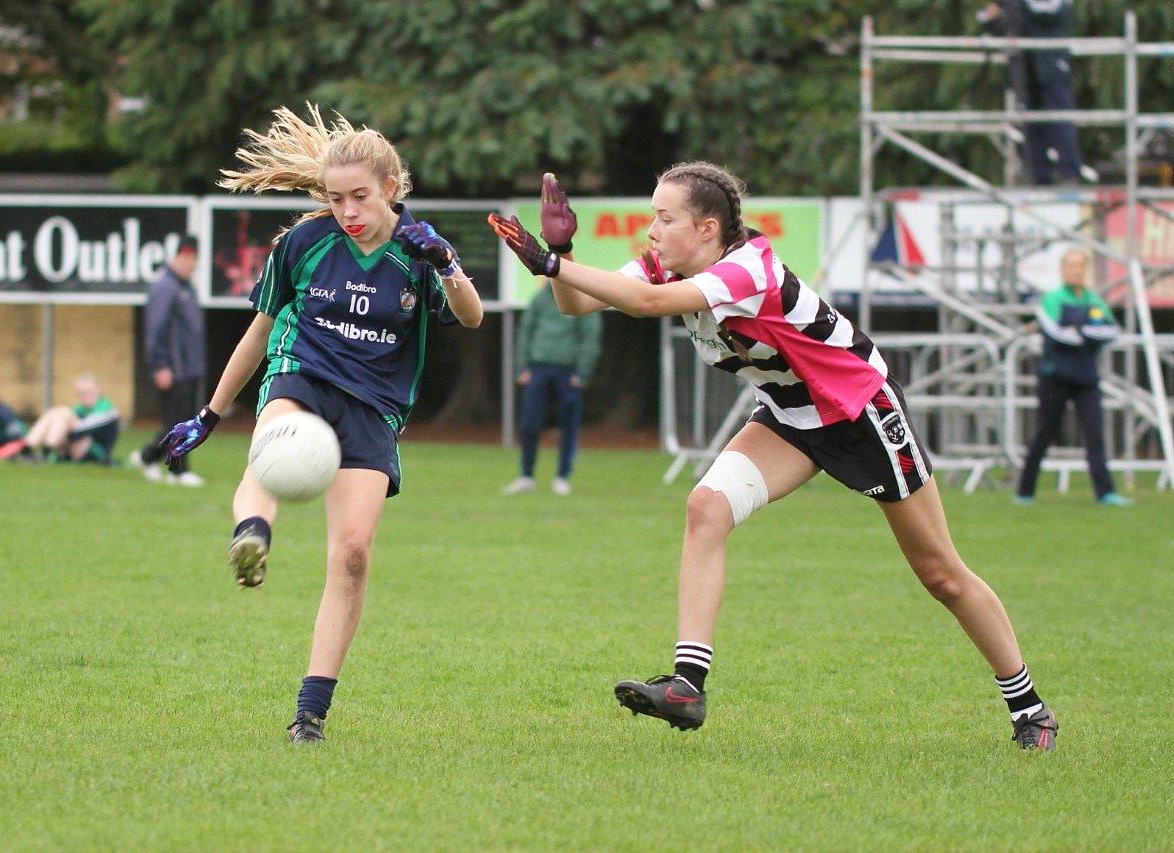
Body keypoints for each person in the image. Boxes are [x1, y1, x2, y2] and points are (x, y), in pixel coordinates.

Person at [489, 165, 1058, 750]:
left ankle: (1029, 707)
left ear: (708, 228)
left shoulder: (745, 267)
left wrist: (549, 262)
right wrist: (559, 250)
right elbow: (576, 305)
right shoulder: (670, 264)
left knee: (941, 575)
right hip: (791, 415)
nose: (651, 230)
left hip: (859, 412)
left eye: (665, 218)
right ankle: (687, 686)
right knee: (705, 508)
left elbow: (644, 304)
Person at [157, 105, 483, 743]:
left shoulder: (419, 249)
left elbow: (469, 317)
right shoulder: (304, 243)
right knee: (270, 453)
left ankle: (310, 712)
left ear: (391, 187)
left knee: (354, 555)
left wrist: (447, 262)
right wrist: (209, 413)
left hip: (374, 405)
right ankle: (252, 534)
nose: (347, 211)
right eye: (335, 198)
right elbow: (259, 332)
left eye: (359, 196)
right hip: (301, 373)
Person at [503, 177, 601, 497]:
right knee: (530, 424)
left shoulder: (581, 293)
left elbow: (589, 333)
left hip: (567, 370)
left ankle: (562, 476)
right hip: (539, 368)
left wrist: (582, 371)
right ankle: (527, 474)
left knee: (567, 427)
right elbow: (526, 332)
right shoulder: (538, 298)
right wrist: (523, 366)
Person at [1016, 248, 1129, 506]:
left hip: (1086, 377)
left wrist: (1080, 331)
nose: (1076, 270)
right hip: (1054, 375)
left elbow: (1111, 331)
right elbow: (1057, 332)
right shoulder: (1052, 299)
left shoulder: (1094, 300)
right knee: (1045, 431)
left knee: (1095, 433)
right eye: (1071, 265)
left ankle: (1105, 492)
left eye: (1080, 265)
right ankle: (1025, 491)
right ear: (1063, 269)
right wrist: (1088, 332)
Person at [978, 0, 1088, 185]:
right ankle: (1039, 175)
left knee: (1060, 117)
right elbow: (1002, 26)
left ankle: (1069, 173)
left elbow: (1050, 12)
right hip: (1025, 67)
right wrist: (991, 17)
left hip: (1053, 63)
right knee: (1031, 122)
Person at [129, 236, 206, 486]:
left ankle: (148, 456)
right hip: (175, 368)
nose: (189, 263)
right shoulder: (165, 287)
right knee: (178, 423)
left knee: (184, 421)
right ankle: (177, 471)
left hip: (189, 367)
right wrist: (160, 365)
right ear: (174, 258)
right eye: (185, 258)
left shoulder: (186, 287)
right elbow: (155, 330)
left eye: (193, 258)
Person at [0, 373, 121, 464]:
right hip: (72, 448)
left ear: (99, 390)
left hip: (96, 453)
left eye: (88, 392)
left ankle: (42, 452)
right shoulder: (80, 408)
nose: (85, 396)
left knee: (63, 413)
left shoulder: (108, 410)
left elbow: (82, 430)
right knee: (55, 412)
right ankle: (28, 447)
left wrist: (60, 431)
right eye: (81, 393)